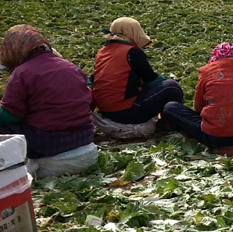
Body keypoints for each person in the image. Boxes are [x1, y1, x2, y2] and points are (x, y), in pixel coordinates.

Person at [0, 24, 95, 158]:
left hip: (48, 142)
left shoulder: (21, 73)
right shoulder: (71, 67)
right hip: (84, 135)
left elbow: (11, 115)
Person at [90, 17, 183, 124]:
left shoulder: (102, 52)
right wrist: (165, 82)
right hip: (126, 113)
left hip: (106, 112)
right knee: (172, 86)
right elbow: (151, 79)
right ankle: (173, 121)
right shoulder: (132, 52)